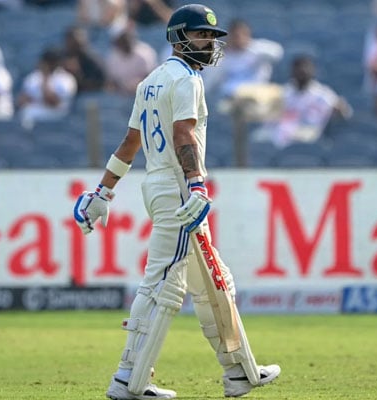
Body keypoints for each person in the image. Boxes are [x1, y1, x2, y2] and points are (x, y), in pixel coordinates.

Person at [72, 4, 280, 400]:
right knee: (162, 286)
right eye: (201, 35)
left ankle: (238, 371)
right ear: (179, 37)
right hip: (178, 190)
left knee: (214, 283)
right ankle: (128, 381)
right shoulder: (186, 79)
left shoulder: (150, 80)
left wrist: (103, 191)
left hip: (160, 186)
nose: (209, 43)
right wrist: (197, 185)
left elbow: (130, 144)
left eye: (212, 37)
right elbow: (183, 133)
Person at [253, 54, 353, 148]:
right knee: (258, 137)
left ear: (313, 71)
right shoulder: (283, 93)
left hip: (309, 131)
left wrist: (340, 110)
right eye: (298, 68)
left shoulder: (323, 94)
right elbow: (268, 118)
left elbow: (346, 113)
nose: (302, 71)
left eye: (306, 67)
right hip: (282, 130)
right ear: (292, 71)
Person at [16, 47, 77, 130]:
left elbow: (52, 102)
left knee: (29, 113)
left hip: (57, 118)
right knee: (25, 113)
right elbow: (22, 100)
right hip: (35, 114)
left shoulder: (66, 79)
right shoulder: (33, 77)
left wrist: (45, 78)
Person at [105, 21, 158, 95]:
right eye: (121, 38)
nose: (125, 41)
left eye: (126, 37)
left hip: (145, 93)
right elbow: (112, 81)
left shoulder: (145, 52)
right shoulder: (112, 57)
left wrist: (139, 83)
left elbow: (154, 77)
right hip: (121, 96)